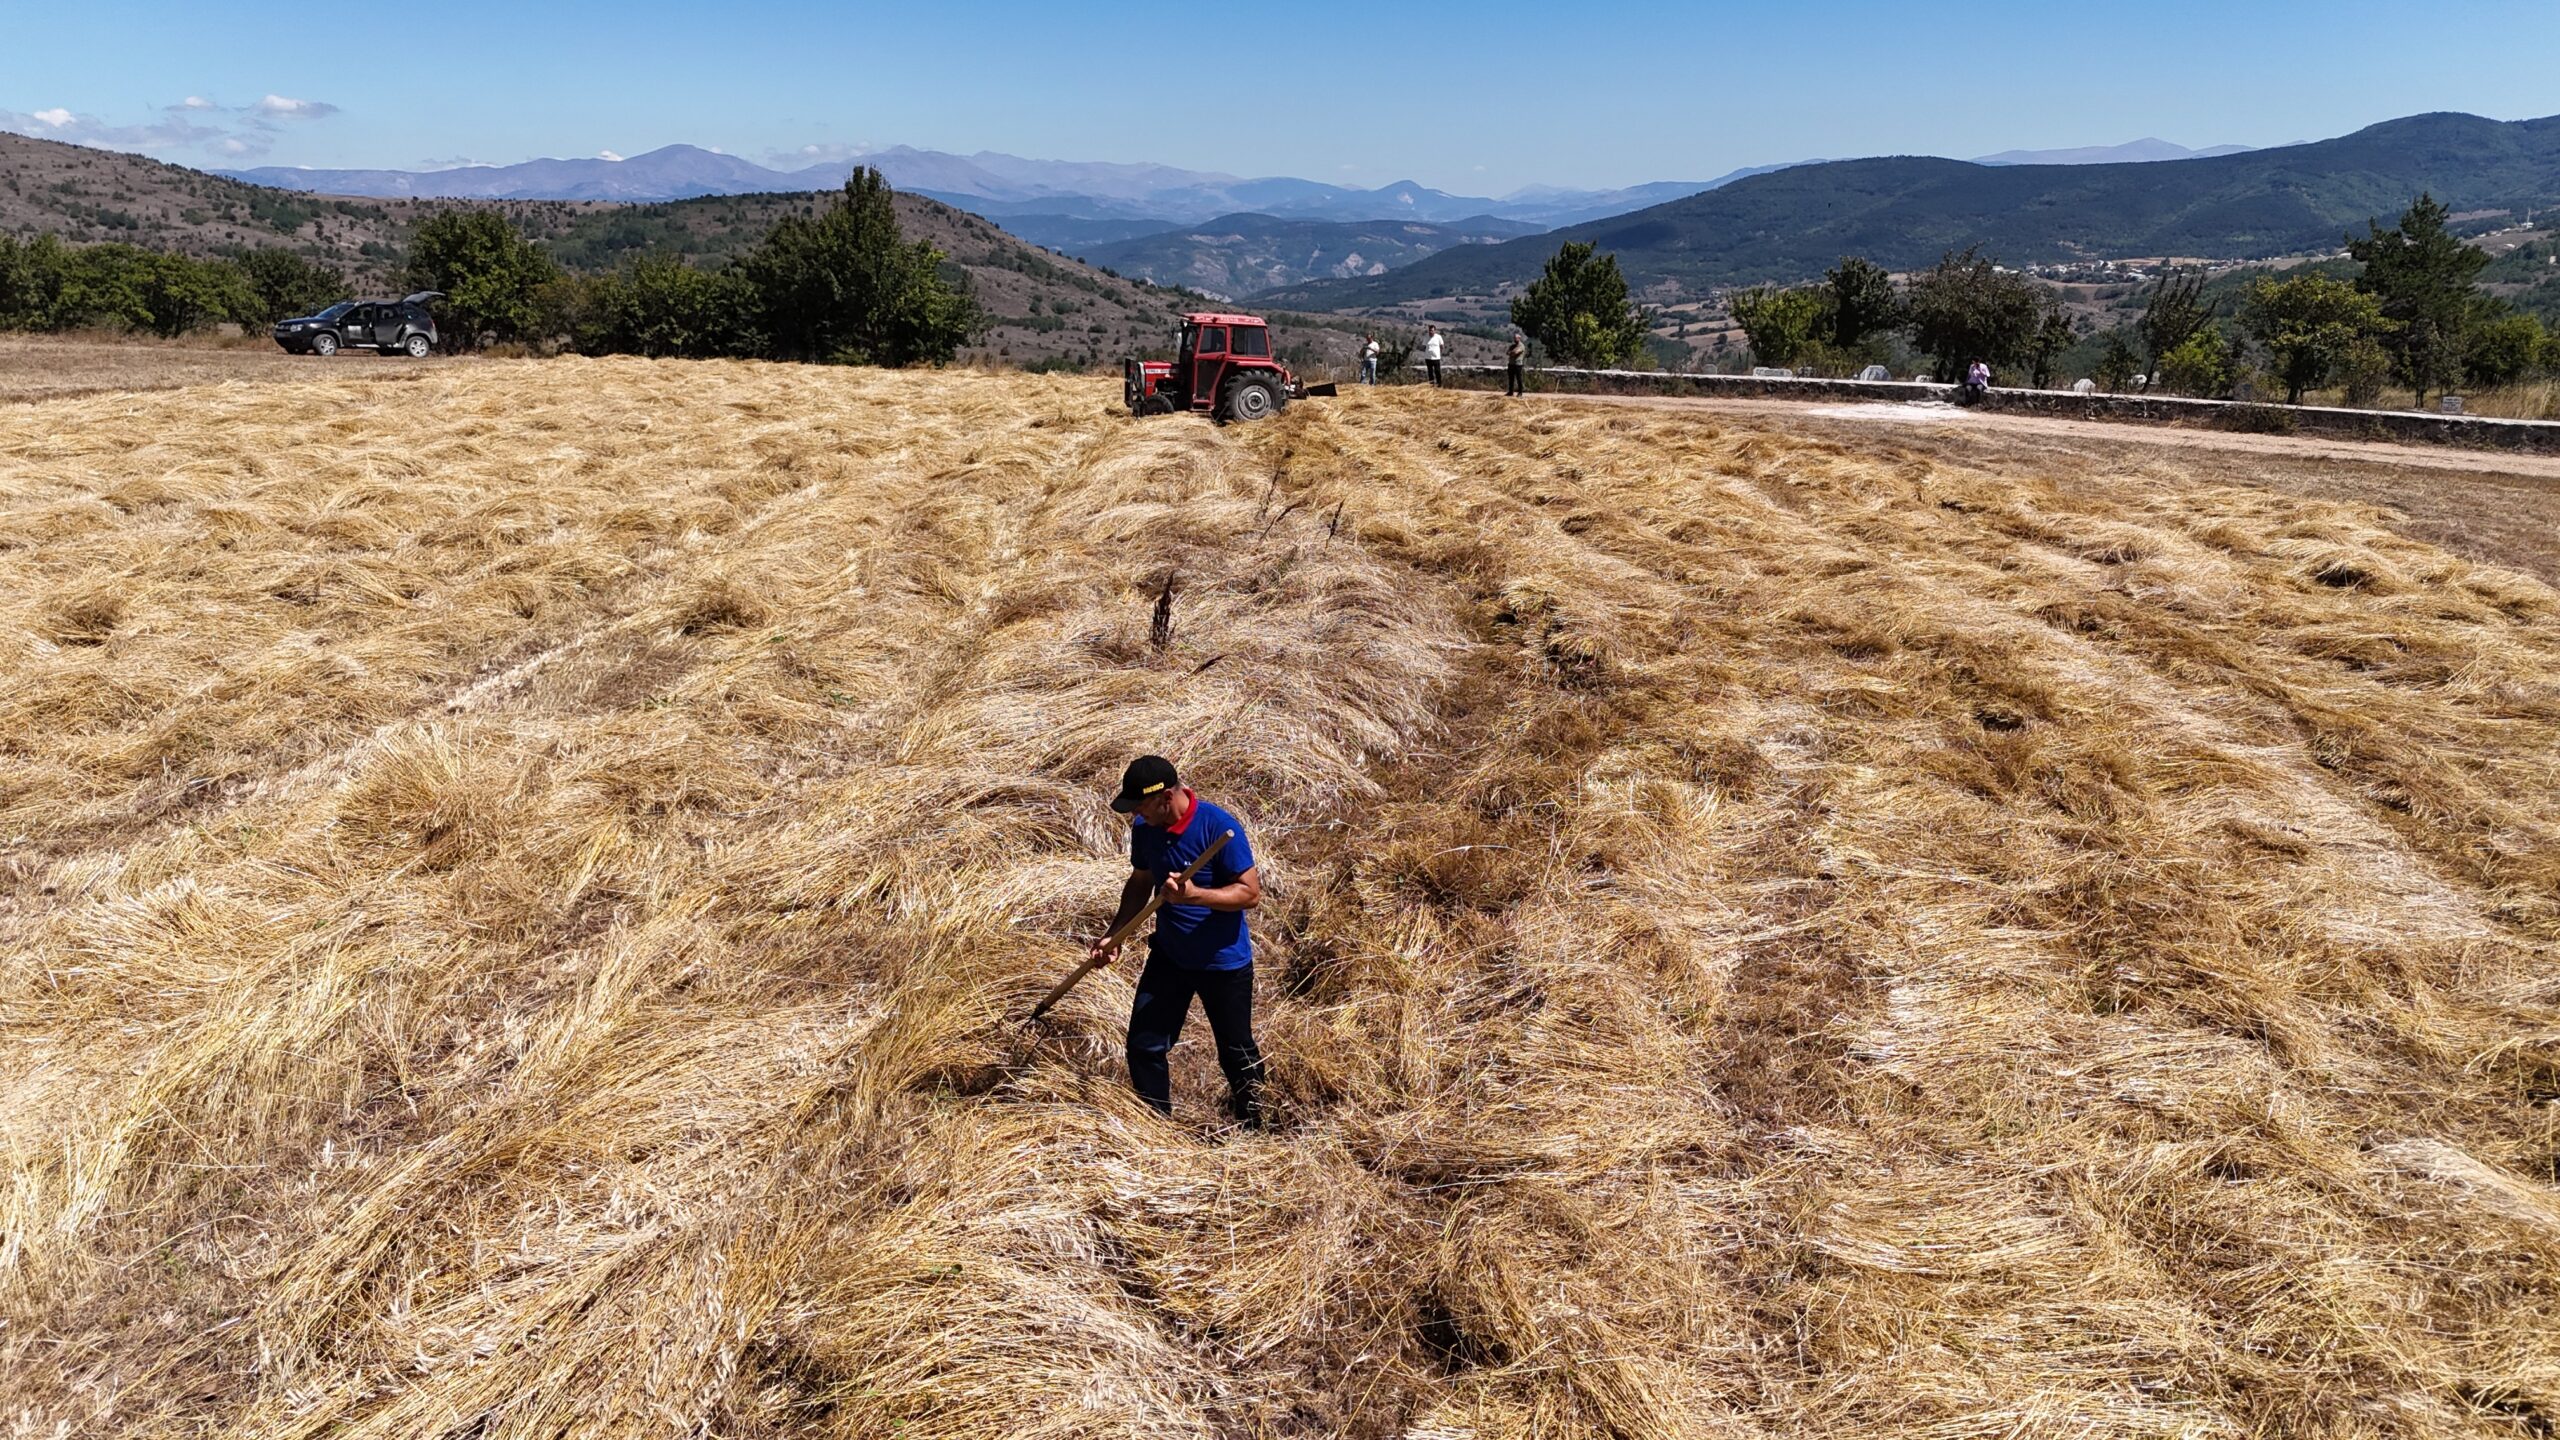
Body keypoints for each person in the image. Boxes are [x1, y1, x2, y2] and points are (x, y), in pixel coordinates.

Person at [1087, 755, 1266, 1126]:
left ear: (1166, 797)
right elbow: (1139, 883)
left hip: (1222, 961)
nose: (1136, 814)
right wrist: (1115, 933)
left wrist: (1195, 896)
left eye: (1141, 805)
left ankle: (1257, 1124)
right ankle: (1156, 1127)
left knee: (1236, 1052)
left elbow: (1249, 894)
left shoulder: (1219, 828)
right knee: (1144, 1045)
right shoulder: (1145, 827)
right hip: (1170, 955)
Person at [1506, 330, 1527, 397]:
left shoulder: (1521, 346)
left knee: (1519, 378)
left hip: (1518, 364)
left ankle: (1520, 392)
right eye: (1514, 338)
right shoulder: (1512, 346)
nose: (1515, 339)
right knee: (1511, 378)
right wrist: (1512, 352)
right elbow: (1507, 352)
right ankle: (1510, 392)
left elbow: (1515, 353)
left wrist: (1512, 353)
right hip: (1511, 364)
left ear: (1519, 338)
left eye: (1516, 338)